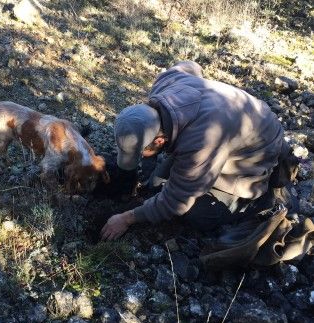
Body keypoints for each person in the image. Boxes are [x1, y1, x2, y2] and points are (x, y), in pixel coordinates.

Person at [101, 60, 292, 241]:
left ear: (159, 141)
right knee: (156, 184)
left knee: (198, 216)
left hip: (260, 147)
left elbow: (175, 202)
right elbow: (190, 66)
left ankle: (261, 198)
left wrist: (126, 218)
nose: (141, 157)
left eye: (141, 153)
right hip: (229, 129)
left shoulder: (201, 143)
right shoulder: (164, 84)